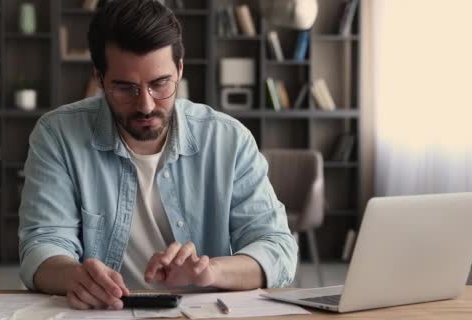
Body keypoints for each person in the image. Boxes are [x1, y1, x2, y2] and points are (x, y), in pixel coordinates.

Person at [18, 0, 297, 310]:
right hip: (102, 314)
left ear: (179, 69)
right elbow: (41, 245)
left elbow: (278, 248)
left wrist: (211, 270)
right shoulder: (57, 136)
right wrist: (74, 277)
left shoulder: (228, 139)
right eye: (126, 88)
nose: (146, 106)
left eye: (160, 84)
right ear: (99, 78)